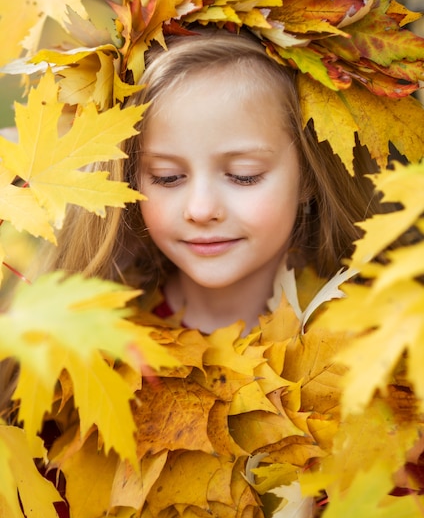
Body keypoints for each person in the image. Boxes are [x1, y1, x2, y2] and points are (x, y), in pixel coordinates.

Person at [47, 28, 378, 333]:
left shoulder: (377, 335)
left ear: (307, 176)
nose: (201, 209)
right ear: (132, 179)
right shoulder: (85, 339)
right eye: (168, 177)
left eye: (243, 176)